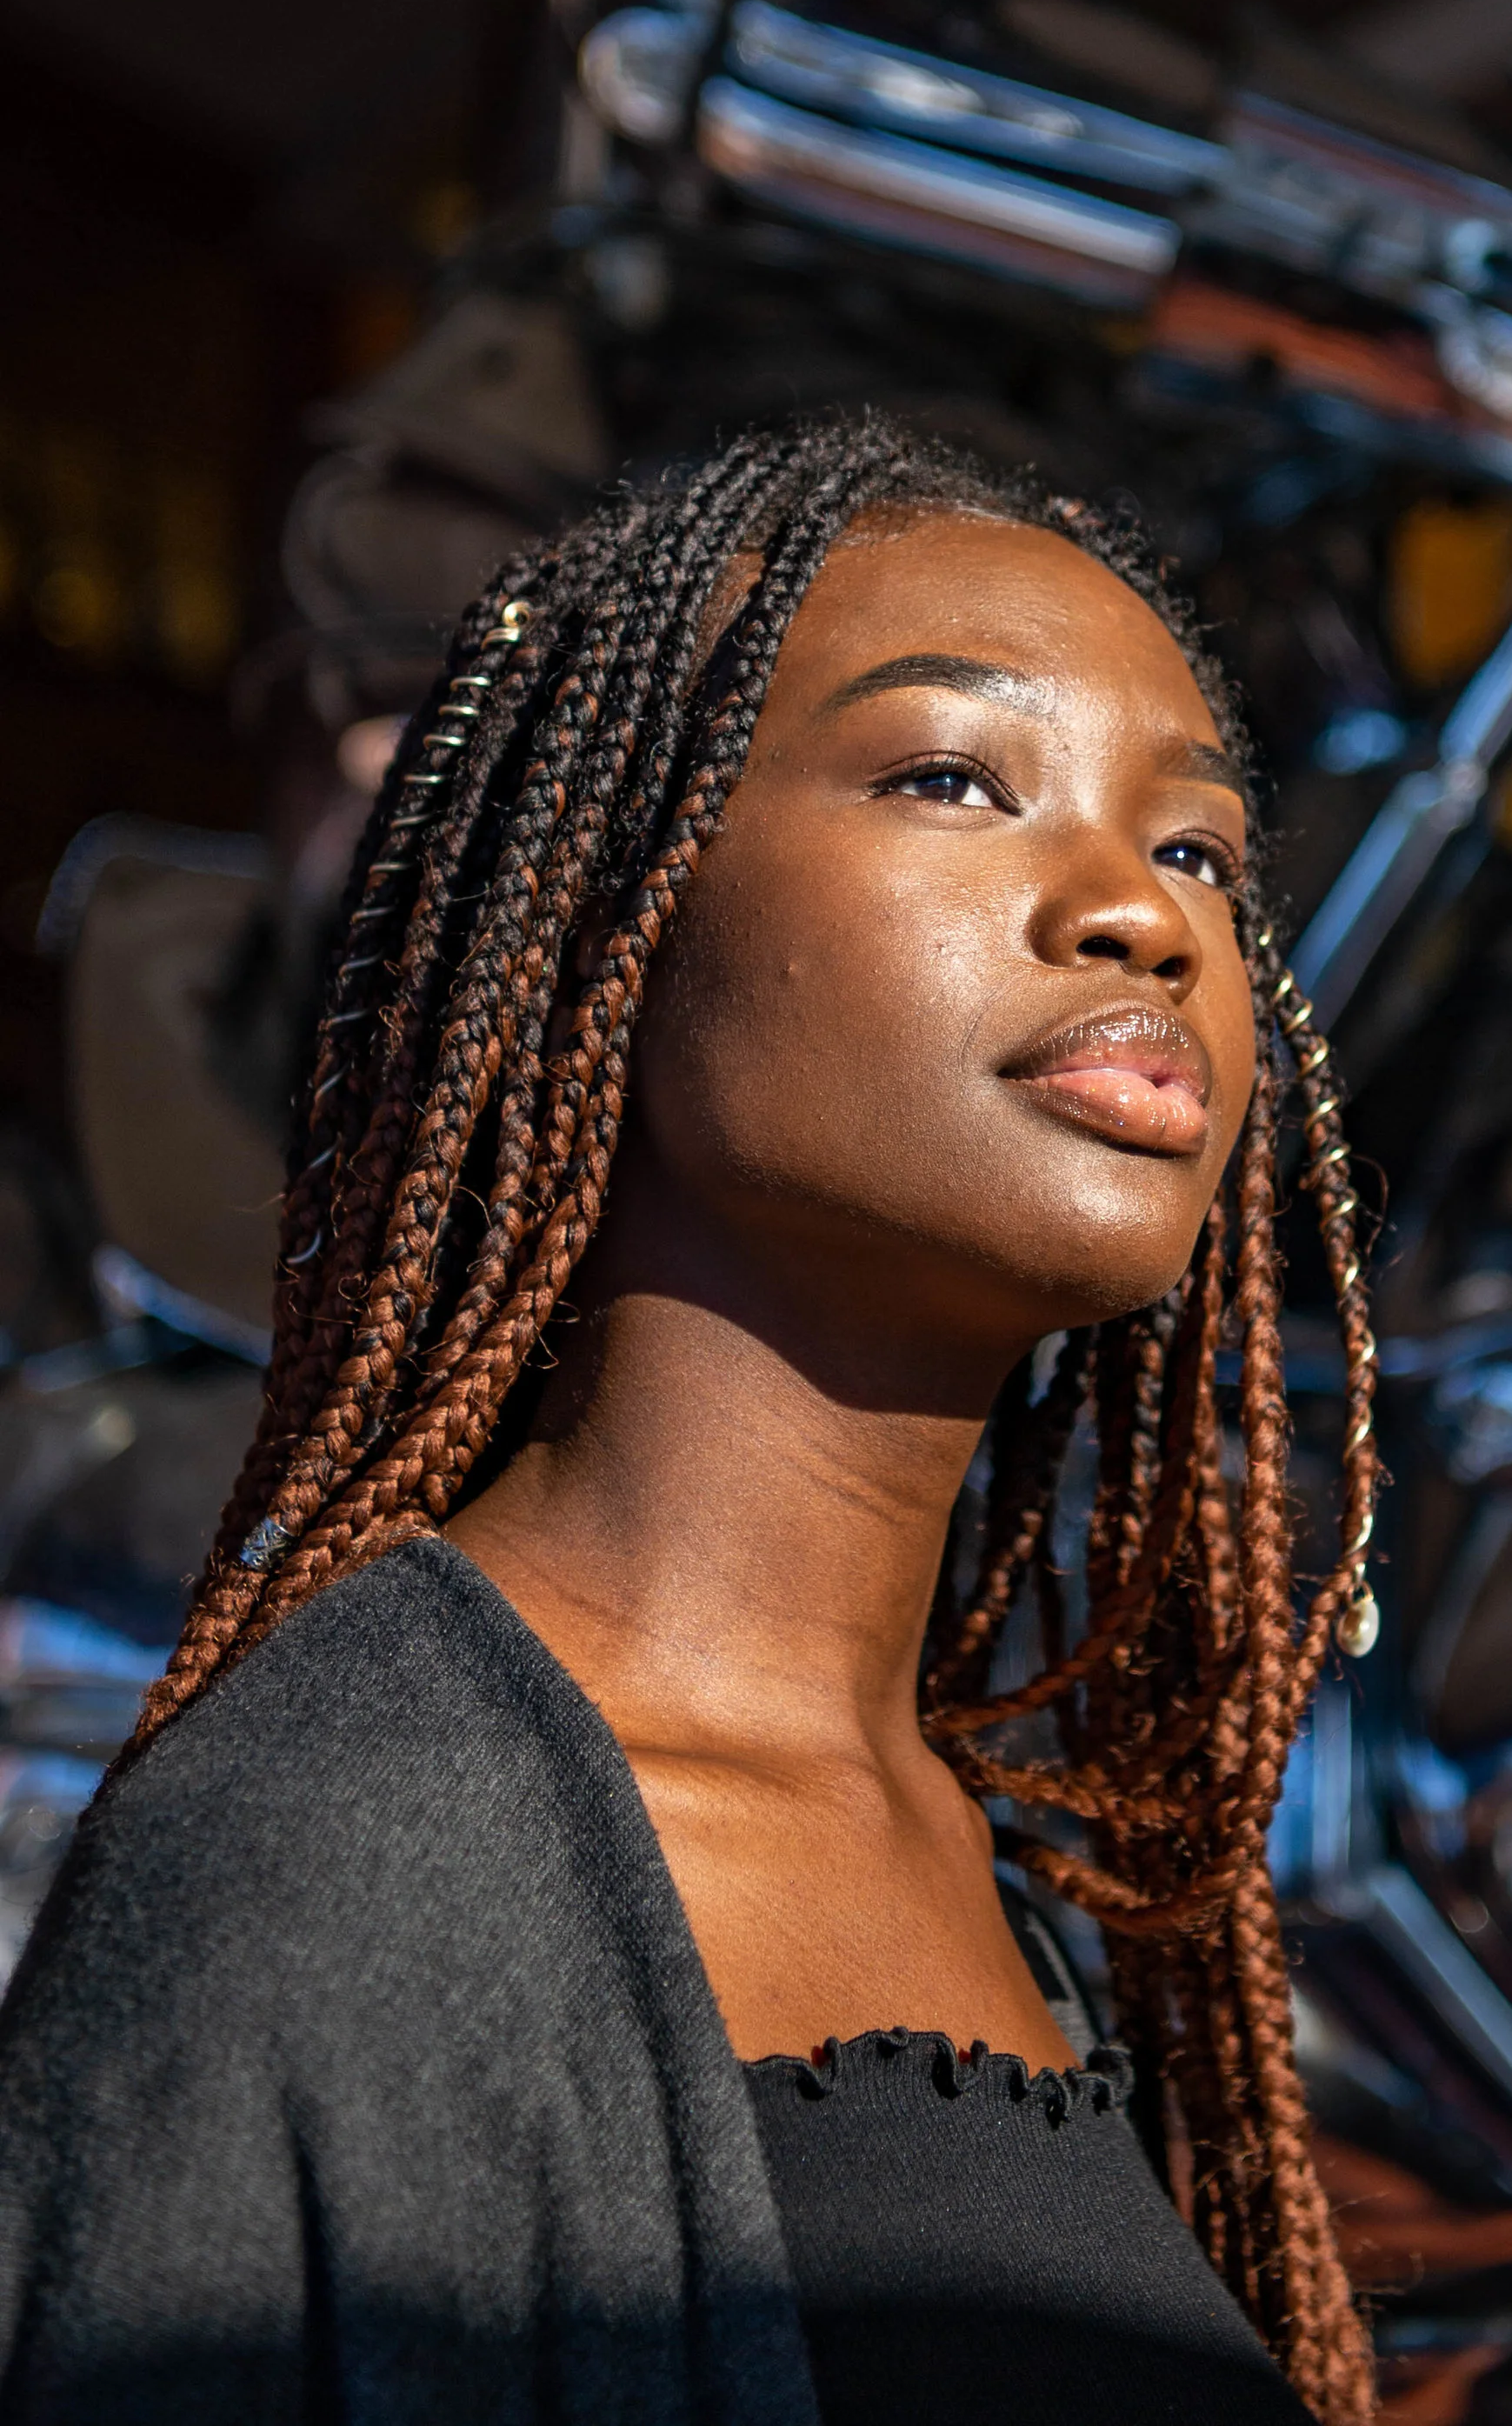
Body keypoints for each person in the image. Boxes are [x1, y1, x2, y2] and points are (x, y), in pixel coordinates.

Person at [0, 412, 1381, 2426]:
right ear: (604, 926)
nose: (1141, 918)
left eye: (1194, 849)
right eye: (949, 777)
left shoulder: (1009, 1877)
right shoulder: (356, 1861)